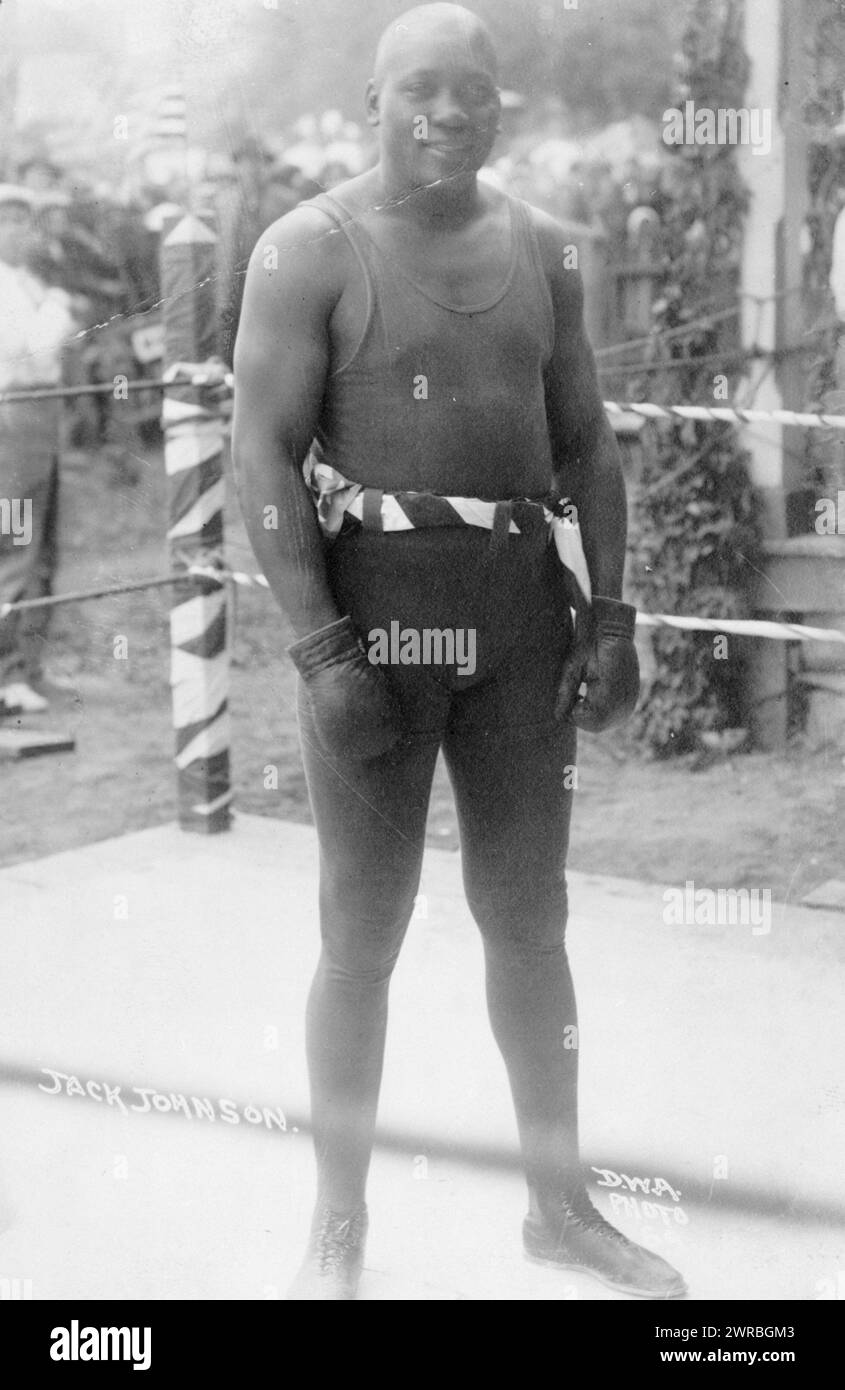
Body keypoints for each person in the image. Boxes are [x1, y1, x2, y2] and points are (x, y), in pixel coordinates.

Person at [232, 3, 688, 1301]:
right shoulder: (304, 250)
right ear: (370, 101)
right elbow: (257, 452)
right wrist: (323, 650)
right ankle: (337, 1220)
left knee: (529, 922)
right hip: (373, 627)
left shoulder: (545, 247)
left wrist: (611, 617)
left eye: (471, 93)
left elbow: (587, 439)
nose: (445, 114)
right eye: (418, 90)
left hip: (514, 626)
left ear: (501, 110)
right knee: (359, 933)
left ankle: (559, 1205)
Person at [0, 185, 75, 715]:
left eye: (25, 220)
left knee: (43, 547)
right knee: (16, 541)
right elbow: (30, 346)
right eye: (9, 219)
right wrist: (56, 307)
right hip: (12, 417)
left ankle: (29, 662)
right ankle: (7, 673)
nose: (21, 230)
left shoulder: (31, 281)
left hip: (43, 414)